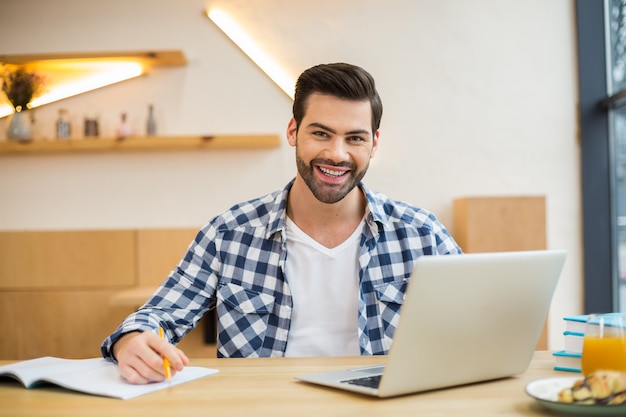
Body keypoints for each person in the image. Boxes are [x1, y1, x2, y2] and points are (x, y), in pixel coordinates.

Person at [101, 63, 462, 384]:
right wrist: (131, 341)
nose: (337, 154)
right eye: (321, 133)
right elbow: (158, 315)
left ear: (374, 144)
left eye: (354, 138)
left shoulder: (421, 234)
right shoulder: (229, 233)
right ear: (293, 131)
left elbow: (483, 318)